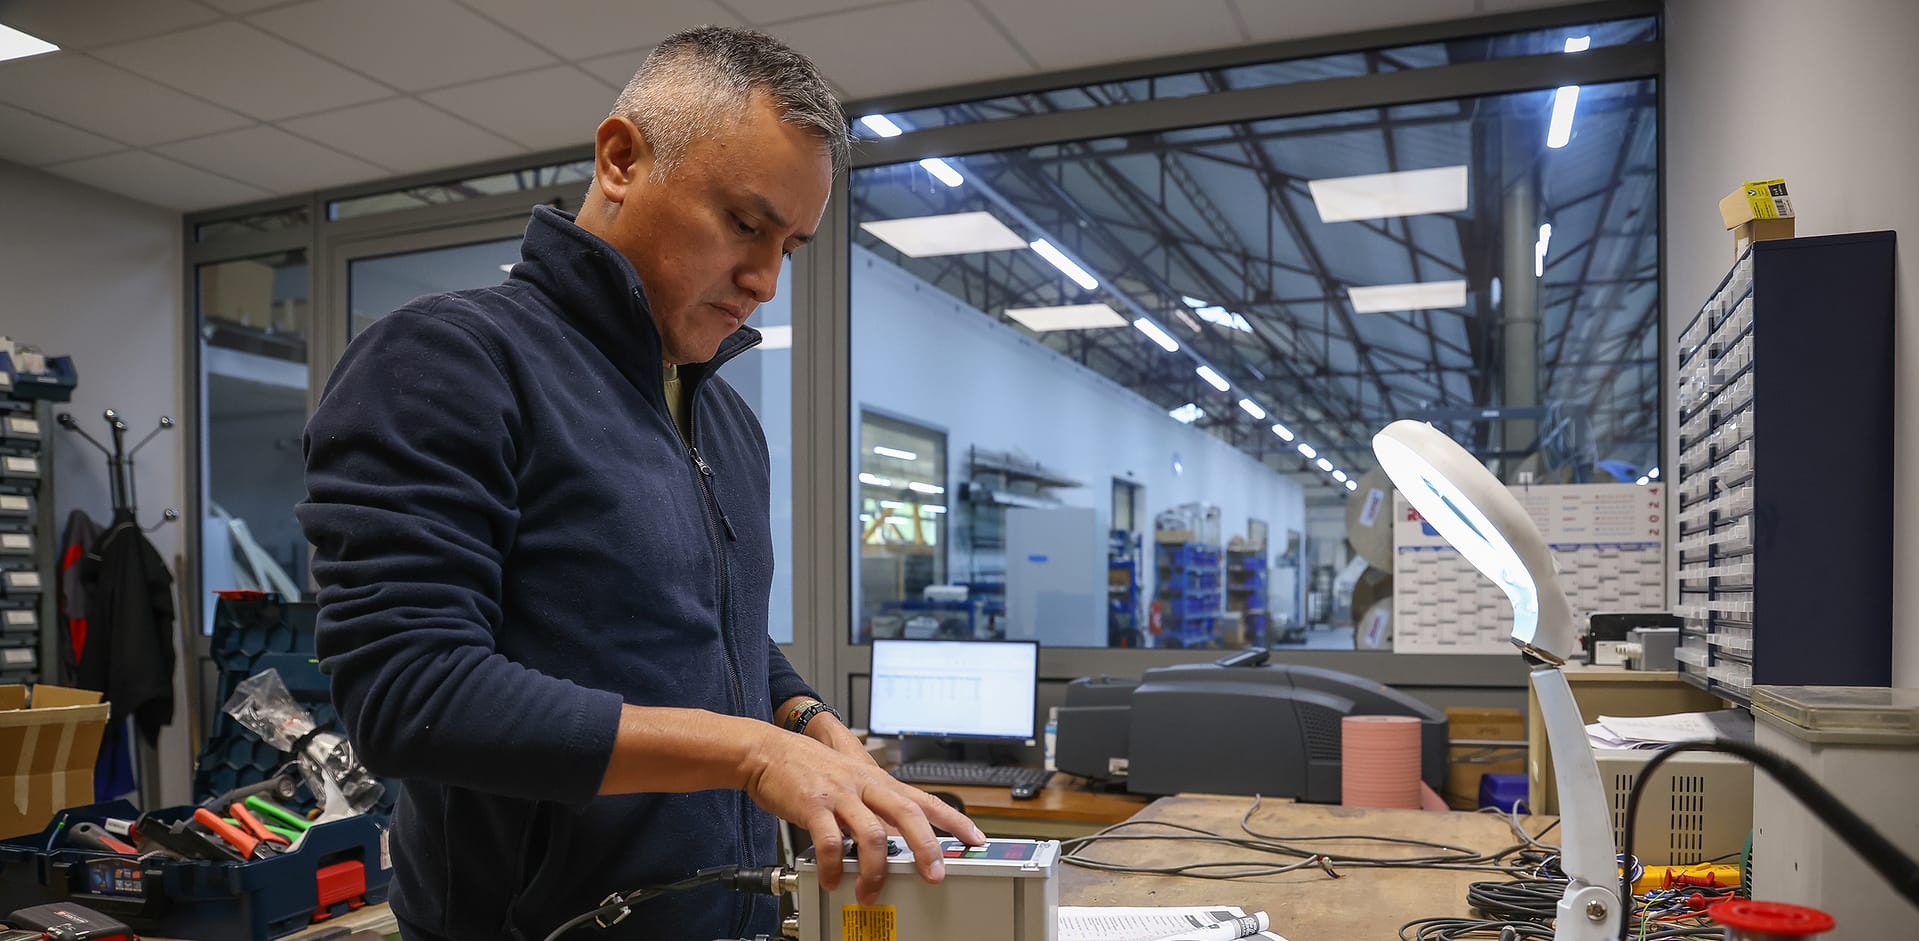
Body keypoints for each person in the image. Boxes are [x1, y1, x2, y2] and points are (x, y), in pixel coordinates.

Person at [298, 25, 982, 941]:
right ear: (620, 159)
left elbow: (707, 621)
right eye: (745, 223)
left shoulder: (723, 420)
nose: (765, 280)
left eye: (792, 245)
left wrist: (809, 721)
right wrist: (750, 753)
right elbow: (408, 693)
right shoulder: (449, 359)